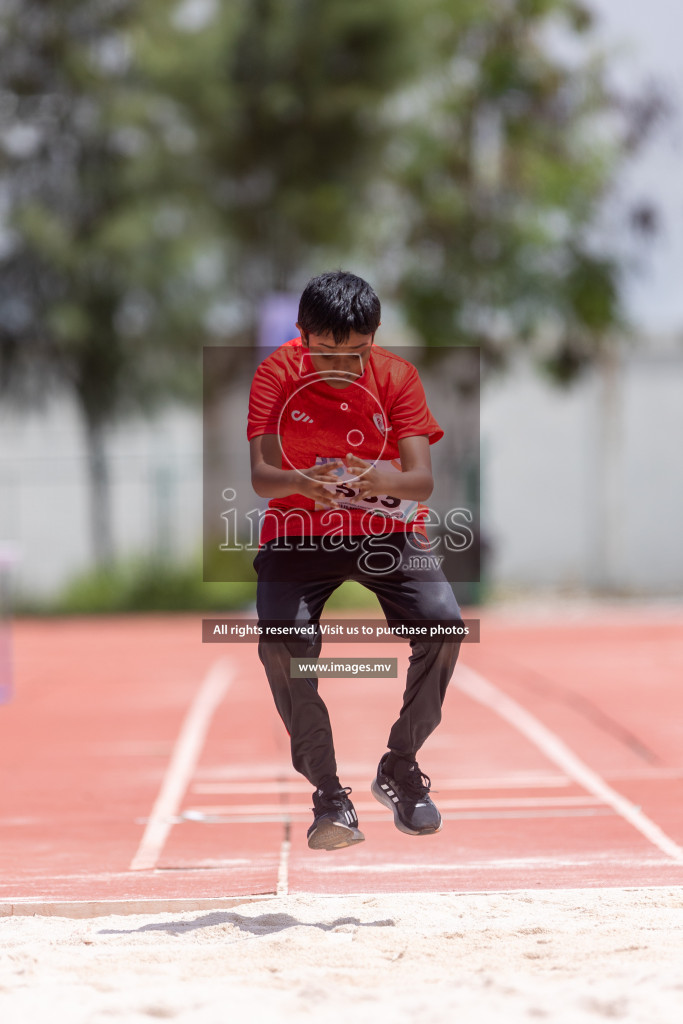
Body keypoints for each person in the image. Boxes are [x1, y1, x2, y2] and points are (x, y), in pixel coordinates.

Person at [248, 270, 462, 851]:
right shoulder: (274, 375)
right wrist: (303, 481)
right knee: (281, 642)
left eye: (356, 353)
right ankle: (329, 795)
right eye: (326, 353)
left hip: (387, 532)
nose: (341, 366)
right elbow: (262, 477)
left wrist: (382, 478)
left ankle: (401, 765)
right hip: (299, 533)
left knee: (443, 625)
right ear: (302, 334)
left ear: (375, 336)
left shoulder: (398, 378)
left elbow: (421, 482)